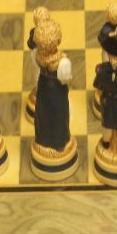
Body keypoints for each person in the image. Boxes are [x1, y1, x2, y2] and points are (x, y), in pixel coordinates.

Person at [33, 19, 73, 151]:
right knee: (58, 115)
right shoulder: (63, 62)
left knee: (43, 114)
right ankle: (58, 142)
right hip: (57, 90)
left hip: (43, 86)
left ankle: (42, 139)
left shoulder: (37, 56)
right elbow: (65, 79)